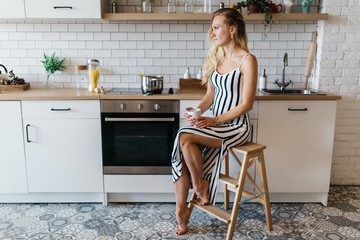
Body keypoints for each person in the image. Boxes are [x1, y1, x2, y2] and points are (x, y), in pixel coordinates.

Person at [171, 8, 258, 235]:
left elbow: (247, 105)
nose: (212, 33)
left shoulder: (248, 61)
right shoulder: (217, 58)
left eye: (216, 27)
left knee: (183, 135)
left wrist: (214, 120)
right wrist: (198, 111)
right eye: (212, 28)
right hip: (214, 124)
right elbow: (210, 96)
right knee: (185, 142)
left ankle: (199, 189)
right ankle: (183, 208)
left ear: (232, 29)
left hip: (236, 127)